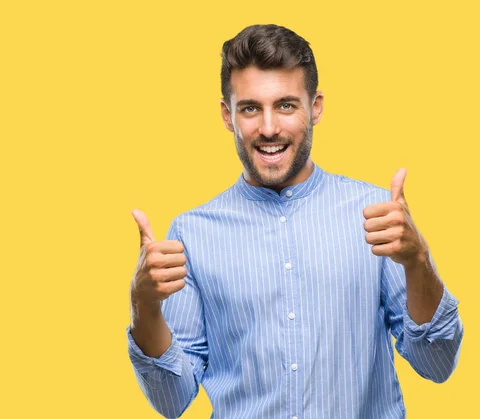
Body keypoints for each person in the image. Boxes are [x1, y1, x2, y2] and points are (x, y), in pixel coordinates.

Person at [126, 24, 463, 419]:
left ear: (315, 107)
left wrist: (417, 261)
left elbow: (437, 365)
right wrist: (143, 305)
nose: (269, 128)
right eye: (250, 108)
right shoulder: (191, 235)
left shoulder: (378, 214)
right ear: (227, 115)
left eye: (286, 105)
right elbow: (172, 400)